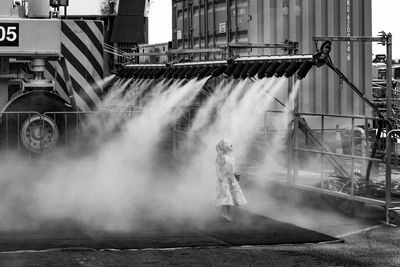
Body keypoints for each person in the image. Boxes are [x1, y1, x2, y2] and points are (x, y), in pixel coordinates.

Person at [215, 139, 247, 222]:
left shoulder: (231, 157)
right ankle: (224, 213)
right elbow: (218, 167)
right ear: (225, 148)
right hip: (224, 179)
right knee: (226, 196)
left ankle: (226, 213)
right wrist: (220, 177)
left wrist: (235, 175)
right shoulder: (222, 157)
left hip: (231, 179)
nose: (232, 146)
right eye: (230, 145)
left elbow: (232, 168)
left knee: (230, 198)